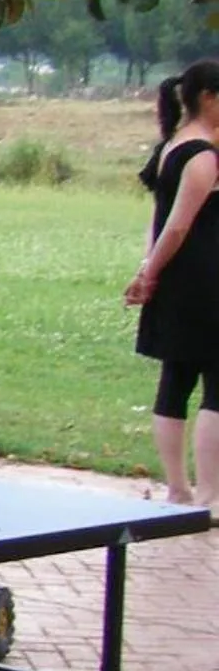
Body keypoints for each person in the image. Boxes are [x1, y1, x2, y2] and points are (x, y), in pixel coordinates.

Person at [125, 59, 219, 506]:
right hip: (206, 280)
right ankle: (209, 493)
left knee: (175, 381)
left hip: (177, 281)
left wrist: (149, 269)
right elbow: (179, 226)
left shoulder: (170, 147)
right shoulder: (202, 155)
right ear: (208, 98)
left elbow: (158, 222)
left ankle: (178, 489)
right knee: (215, 387)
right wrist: (150, 272)